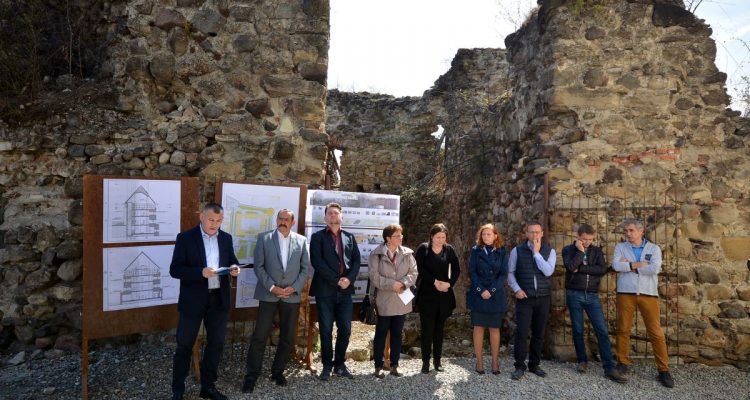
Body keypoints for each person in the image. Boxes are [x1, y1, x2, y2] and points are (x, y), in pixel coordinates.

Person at [169, 203, 240, 400]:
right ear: (201, 217)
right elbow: (175, 270)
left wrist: (234, 268)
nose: (214, 224)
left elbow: (232, 260)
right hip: (193, 300)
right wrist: (200, 272)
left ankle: (208, 387)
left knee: (216, 344)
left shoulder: (226, 238)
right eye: (211, 220)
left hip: (218, 298)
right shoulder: (185, 238)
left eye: (218, 221)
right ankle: (178, 391)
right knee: (184, 345)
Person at [241, 209, 310, 393]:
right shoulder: (264, 239)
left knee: (287, 337)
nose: (283, 222)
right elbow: (259, 267)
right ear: (276, 220)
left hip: (291, 295)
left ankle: (278, 372)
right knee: (259, 336)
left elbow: (305, 269)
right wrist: (272, 287)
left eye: (286, 219)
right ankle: (251, 375)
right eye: (280, 218)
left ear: (292, 222)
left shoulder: (302, 241)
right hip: (268, 294)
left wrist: (294, 287)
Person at [612, 219, 673, 388]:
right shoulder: (620, 247)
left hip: (648, 293)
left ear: (641, 231)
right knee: (623, 329)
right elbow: (616, 266)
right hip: (626, 292)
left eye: (631, 230)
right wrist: (639, 264)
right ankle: (622, 362)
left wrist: (630, 265)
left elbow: (655, 268)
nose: (628, 234)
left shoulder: (653, 249)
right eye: (626, 231)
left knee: (655, 332)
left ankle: (663, 369)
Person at [562, 223, 627, 384]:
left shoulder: (596, 251)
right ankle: (582, 361)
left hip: (592, 295)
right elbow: (570, 267)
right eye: (584, 239)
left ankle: (609, 368)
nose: (587, 242)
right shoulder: (568, 250)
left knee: (602, 330)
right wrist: (580, 252)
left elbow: (601, 270)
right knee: (578, 329)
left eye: (590, 239)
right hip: (574, 294)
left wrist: (581, 269)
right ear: (578, 237)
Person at [309, 202, 361, 381]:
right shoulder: (317, 237)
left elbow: (356, 261)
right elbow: (317, 262)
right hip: (325, 291)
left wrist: (349, 279)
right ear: (325, 218)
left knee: (345, 329)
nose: (333, 215)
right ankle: (326, 365)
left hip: (345, 291)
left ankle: (339, 364)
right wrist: (336, 280)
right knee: (325, 330)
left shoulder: (349, 237)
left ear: (341, 216)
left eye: (336, 213)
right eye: (329, 213)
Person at [368, 224, 418, 378]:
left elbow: (414, 272)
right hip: (383, 300)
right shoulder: (376, 254)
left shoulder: (407, 253)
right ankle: (378, 365)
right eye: (397, 235)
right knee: (381, 333)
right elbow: (374, 276)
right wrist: (392, 284)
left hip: (401, 299)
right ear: (388, 238)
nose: (401, 238)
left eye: (401, 235)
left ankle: (394, 365)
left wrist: (402, 284)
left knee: (397, 333)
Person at [508, 221, 555, 381]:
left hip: (543, 298)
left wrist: (536, 253)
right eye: (531, 232)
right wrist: (516, 289)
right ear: (526, 234)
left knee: (538, 333)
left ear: (542, 233)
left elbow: (548, 271)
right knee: (521, 332)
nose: (534, 235)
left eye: (537, 232)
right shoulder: (517, 251)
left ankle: (534, 365)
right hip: (525, 298)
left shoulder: (550, 251)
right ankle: (519, 366)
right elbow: (510, 272)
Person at [414, 223, 460, 374]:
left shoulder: (449, 250)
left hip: (443, 295)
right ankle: (425, 362)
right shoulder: (423, 249)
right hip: (427, 294)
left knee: (439, 330)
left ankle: (437, 361)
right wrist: (434, 282)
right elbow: (418, 269)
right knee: (427, 330)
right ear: (431, 236)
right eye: (438, 237)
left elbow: (457, 269)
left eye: (443, 237)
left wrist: (449, 284)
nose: (441, 240)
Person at [467, 223, 508, 375]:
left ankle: (495, 362)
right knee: (478, 328)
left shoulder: (502, 251)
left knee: (494, 329)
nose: (486, 237)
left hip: (495, 295)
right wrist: (481, 290)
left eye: (489, 234)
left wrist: (491, 290)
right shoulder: (475, 250)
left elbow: (503, 274)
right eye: (483, 234)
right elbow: (472, 272)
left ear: (495, 236)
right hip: (478, 295)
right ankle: (479, 362)